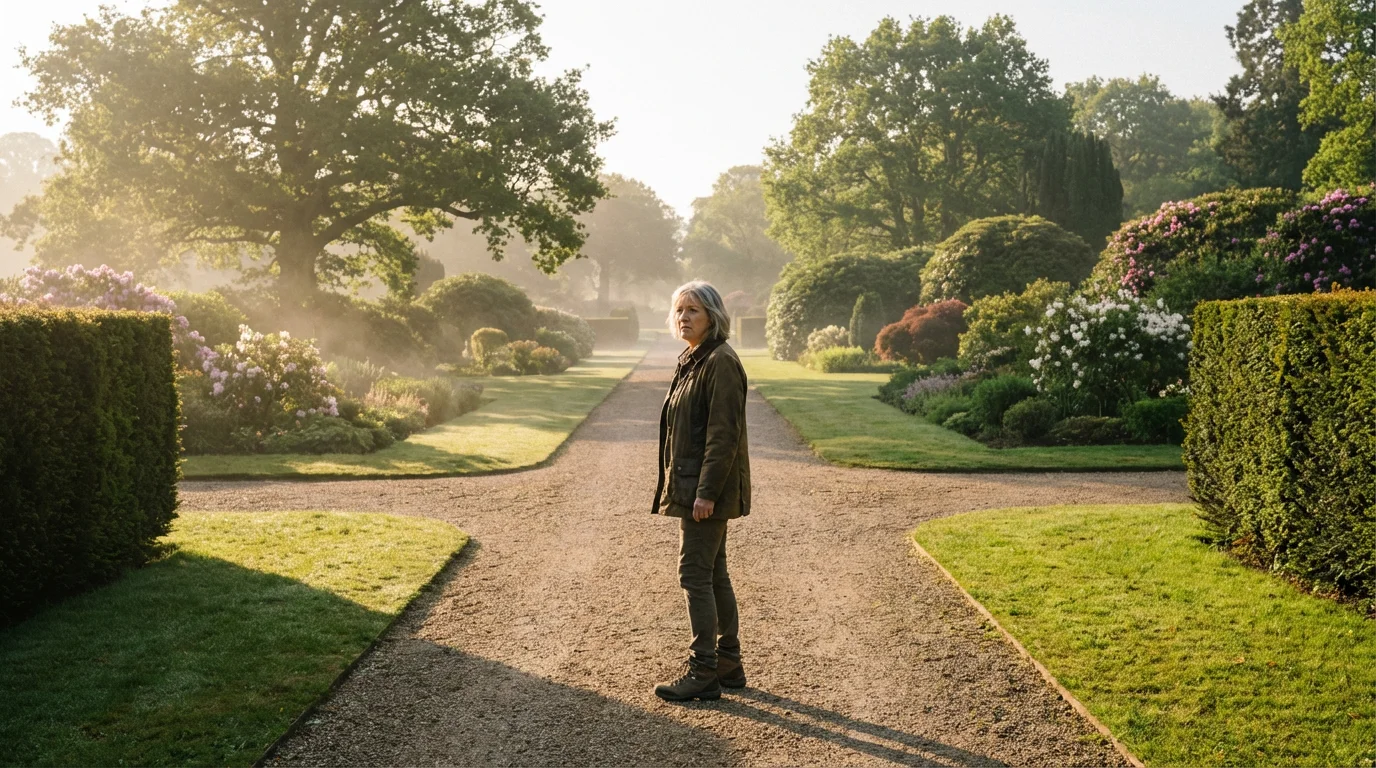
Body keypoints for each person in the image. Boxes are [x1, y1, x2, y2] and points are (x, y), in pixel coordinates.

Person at [652, 280, 751, 702]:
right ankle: (728, 663)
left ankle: (704, 670)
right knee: (714, 573)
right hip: (695, 485)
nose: (684, 317)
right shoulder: (694, 358)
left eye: (693, 310)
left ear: (713, 316)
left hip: (706, 490)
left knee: (694, 575)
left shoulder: (720, 362)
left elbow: (722, 435)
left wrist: (706, 493)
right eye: (679, 310)